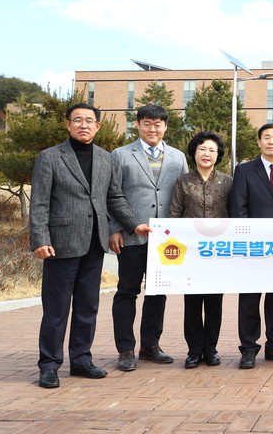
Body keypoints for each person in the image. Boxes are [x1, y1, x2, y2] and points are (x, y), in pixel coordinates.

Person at [30, 103, 150, 388]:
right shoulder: (50, 157)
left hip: (94, 243)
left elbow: (115, 198)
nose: (83, 125)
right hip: (61, 244)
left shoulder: (105, 158)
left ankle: (81, 359)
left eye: (89, 121)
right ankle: (49, 365)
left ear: (97, 126)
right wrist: (40, 239)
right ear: (67, 124)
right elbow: (40, 202)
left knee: (87, 307)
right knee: (56, 309)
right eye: (77, 120)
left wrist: (134, 224)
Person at [110, 104, 189, 371]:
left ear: (165, 127)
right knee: (127, 291)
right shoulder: (120, 155)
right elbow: (112, 194)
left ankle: (150, 345)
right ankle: (125, 349)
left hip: (166, 240)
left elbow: (184, 195)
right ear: (138, 125)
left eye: (158, 124)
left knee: (158, 292)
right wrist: (114, 228)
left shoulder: (178, 157)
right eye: (147, 123)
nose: (152, 129)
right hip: (131, 235)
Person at [230, 123, 273, 369]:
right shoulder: (244, 170)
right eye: (266, 137)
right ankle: (248, 348)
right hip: (253, 247)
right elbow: (238, 209)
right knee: (249, 299)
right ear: (259, 142)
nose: (271, 141)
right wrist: (247, 242)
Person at [169, 132, 232, 369]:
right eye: (202, 149)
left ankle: (211, 349)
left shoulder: (227, 182)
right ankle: (194, 350)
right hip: (191, 253)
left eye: (212, 150)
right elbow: (174, 214)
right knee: (192, 304)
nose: (207, 154)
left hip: (218, 252)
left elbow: (234, 215)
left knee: (215, 303)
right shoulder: (183, 181)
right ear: (194, 152)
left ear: (218, 155)